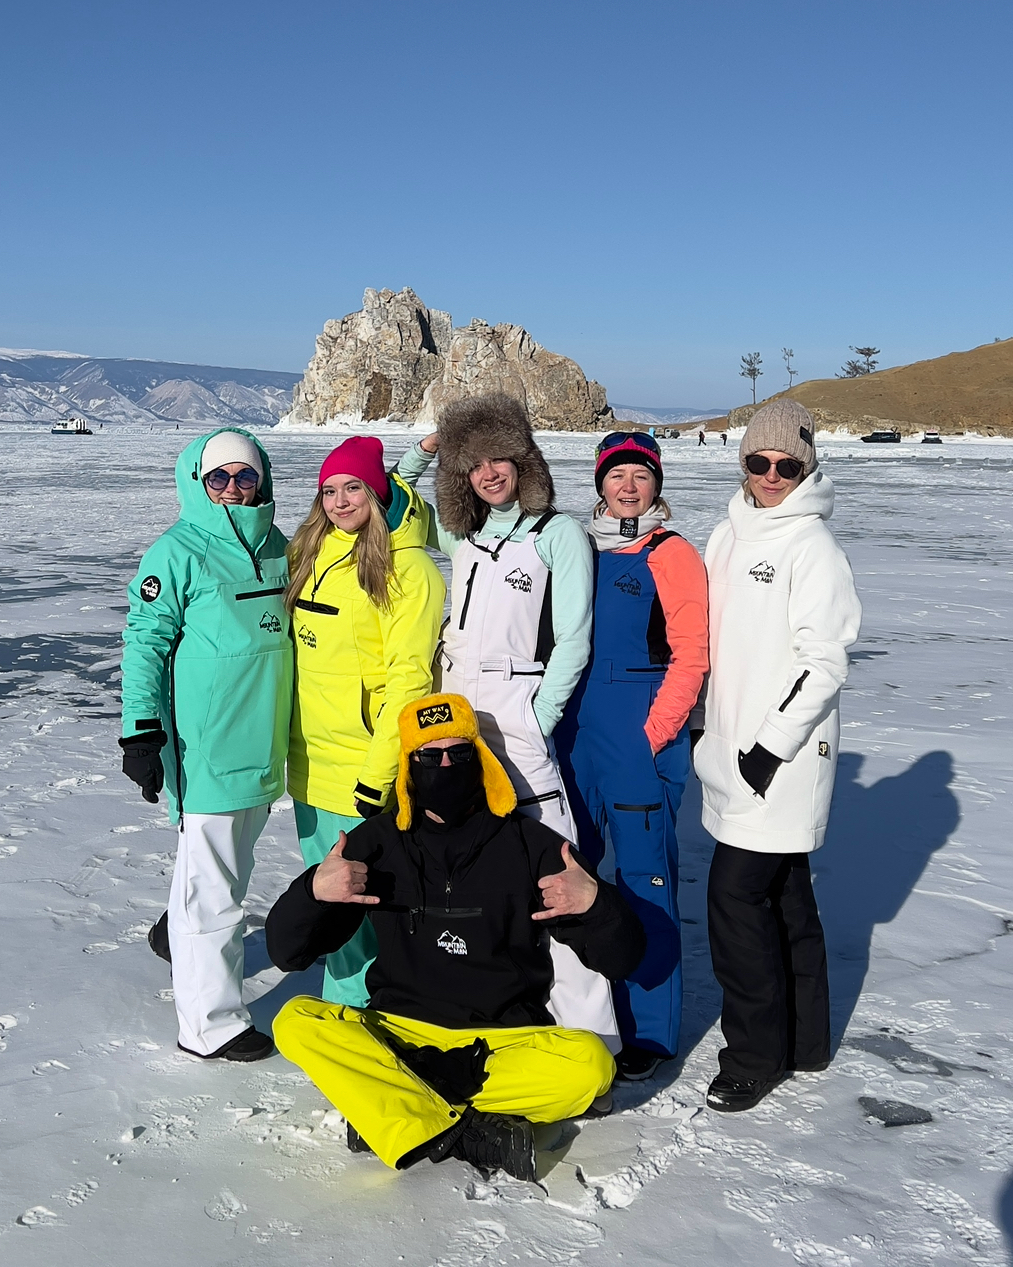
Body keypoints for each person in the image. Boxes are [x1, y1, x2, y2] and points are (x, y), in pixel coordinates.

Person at [267, 693, 646, 1180]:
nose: (445, 765)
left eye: (459, 753)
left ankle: (398, 1107)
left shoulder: (530, 845)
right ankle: (466, 1134)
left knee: (591, 1066)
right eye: (429, 755)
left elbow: (624, 959)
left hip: (498, 1044)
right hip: (399, 1034)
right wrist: (315, 891)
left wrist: (596, 903)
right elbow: (285, 952)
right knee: (296, 1020)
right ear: (408, 766)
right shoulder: (376, 844)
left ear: (480, 760)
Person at [396, 394, 617, 1046]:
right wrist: (430, 448)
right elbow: (392, 495)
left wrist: (537, 715)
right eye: (475, 462)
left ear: (525, 459)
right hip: (453, 721)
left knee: (556, 874)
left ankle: (591, 1039)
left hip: (517, 716)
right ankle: (495, 1017)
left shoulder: (558, 535)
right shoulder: (462, 535)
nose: (490, 472)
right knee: (465, 875)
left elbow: (574, 639)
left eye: (501, 457)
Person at [691, 399, 862, 1111]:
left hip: (779, 759)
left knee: (735, 898)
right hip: (730, 746)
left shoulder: (813, 547)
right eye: (758, 462)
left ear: (806, 465)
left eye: (786, 465)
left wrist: (767, 748)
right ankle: (806, 1038)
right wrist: (708, 727)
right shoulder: (726, 534)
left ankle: (755, 1055)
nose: (770, 475)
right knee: (787, 897)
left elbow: (825, 663)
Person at [121, 428, 292, 1061]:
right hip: (209, 743)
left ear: (263, 481)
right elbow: (145, 642)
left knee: (220, 871)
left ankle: (178, 935)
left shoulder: (280, 547)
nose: (231, 490)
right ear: (197, 482)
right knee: (214, 890)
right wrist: (142, 731)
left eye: (244, 478)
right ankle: (209, 1025)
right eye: (217, 479)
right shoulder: (177, 551)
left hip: (267, 740)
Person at [556, 431, 708, 1081]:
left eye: (640, 476)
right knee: (570, 874)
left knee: (644, 879)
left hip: (641, 731)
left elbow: (692, 655)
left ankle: (649, 1028)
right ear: (599, 483)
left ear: (657, 485)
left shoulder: (671, 554)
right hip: (574, 732)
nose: (627, 486)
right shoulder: (577, 546)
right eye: (616, 475)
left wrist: (652, 736)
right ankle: (583, 1012)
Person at [285, 436, 444, 1007]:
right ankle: (345, 1018)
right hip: (308, 767)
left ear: (377, 494)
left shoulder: (409, 569)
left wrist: (378, 775)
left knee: (366, 912)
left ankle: (367, 1024)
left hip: (359, 772)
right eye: (329, 490)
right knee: (331, 909)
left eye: (354, 487)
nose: (340, 501)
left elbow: (410, 681)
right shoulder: (311, 553)